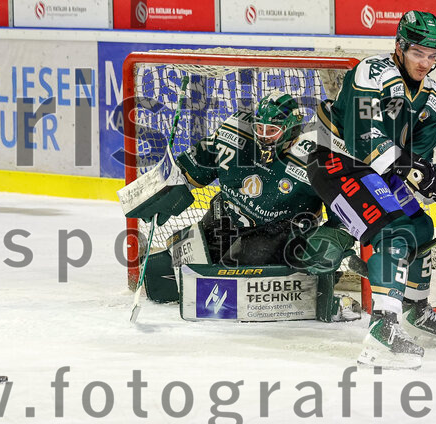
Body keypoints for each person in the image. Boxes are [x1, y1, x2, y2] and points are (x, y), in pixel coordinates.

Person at [309, 10, 436, 369]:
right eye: (419, 53)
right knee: (396, 232)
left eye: (433, 56)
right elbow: (363, 140)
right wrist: (420, 175)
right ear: (400, 47)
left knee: (421, 227)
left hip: (378, 172)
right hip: (338, 162)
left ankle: (415, 311)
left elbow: (417, 161)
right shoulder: (370, 73)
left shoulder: (434, 96)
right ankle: (381, 332)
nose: (426, 63)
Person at [118, 91, 365, 316]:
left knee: (233, 280)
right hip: (227, 217)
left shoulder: (317, 154)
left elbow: (343, 204)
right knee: (164, 277)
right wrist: (170, 181)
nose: (263, 138)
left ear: (291, 129)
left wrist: (338, 234)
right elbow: (199, 161)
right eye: (260, 129)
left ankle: (309, 284)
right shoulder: (235, 133)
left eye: (272, 132)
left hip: (281, 232)